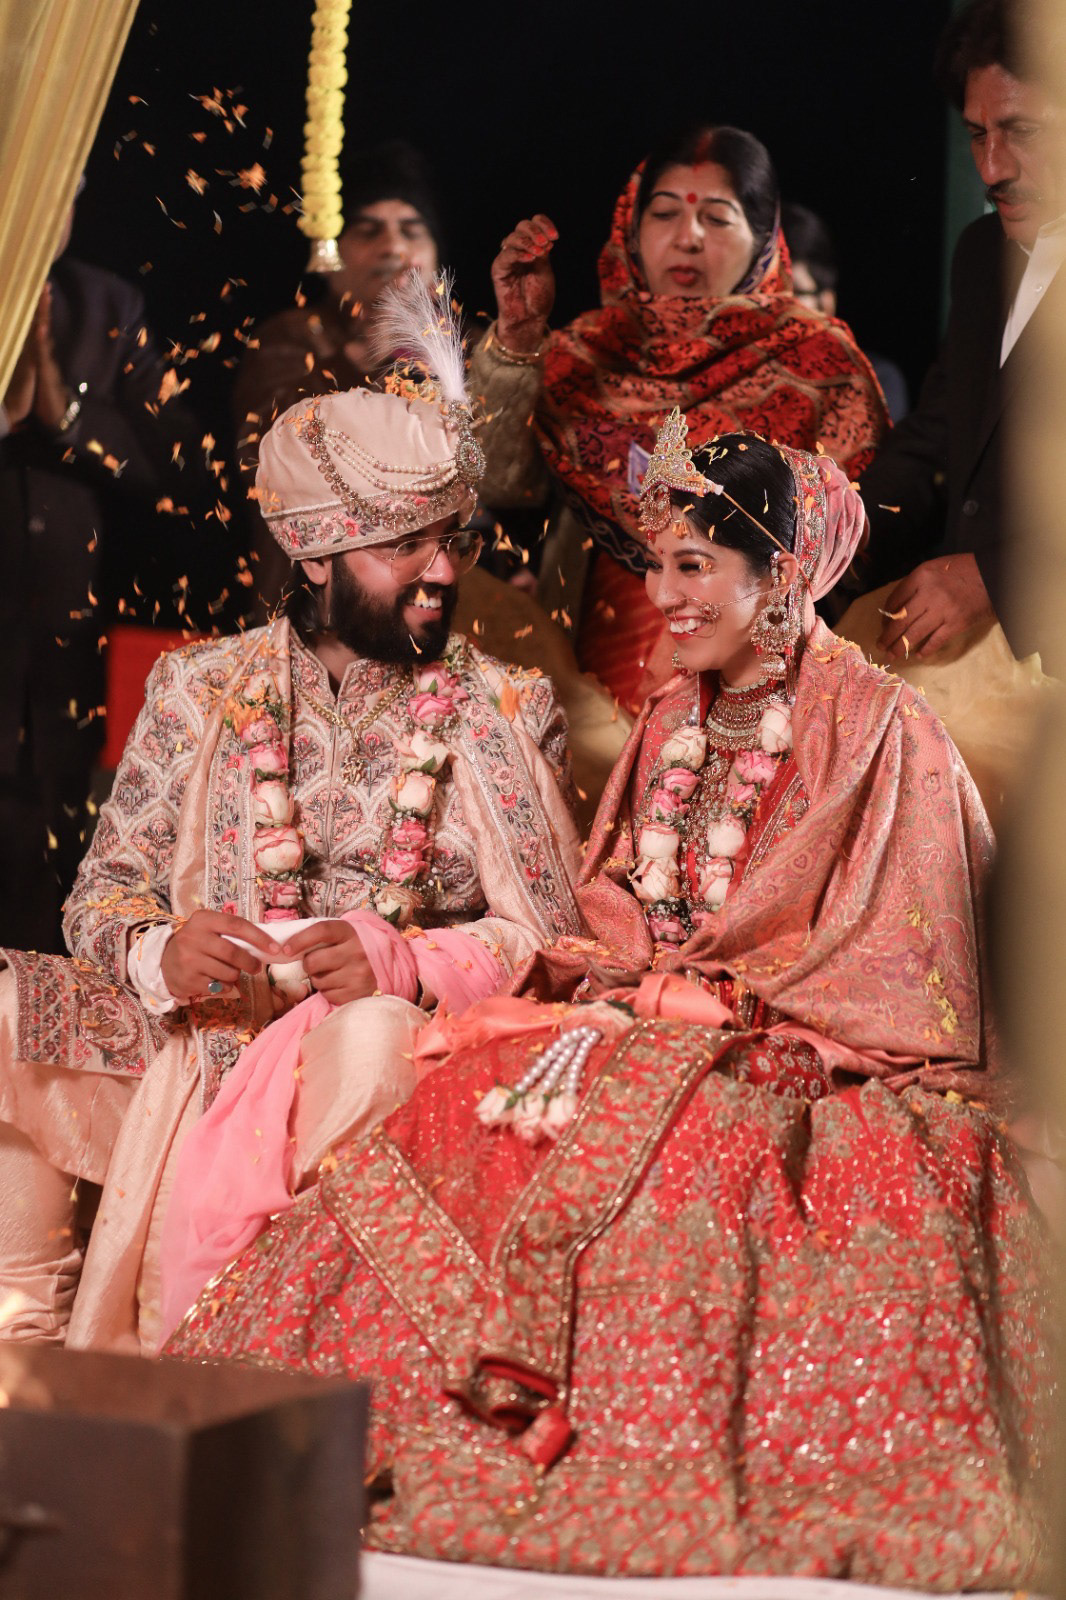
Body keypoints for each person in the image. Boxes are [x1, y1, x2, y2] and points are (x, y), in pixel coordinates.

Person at [167, 418, 1048, 1589]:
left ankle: (617, 1457)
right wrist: (622, 985)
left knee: (702, 1144)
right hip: (645, 1023)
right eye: (655, 565)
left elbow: (911, 954)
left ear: (782, 574)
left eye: (693, 565)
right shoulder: (673, 718)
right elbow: (612, 905)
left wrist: (726, 1006)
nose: (662, 595)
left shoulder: (881, 724)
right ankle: (391, 1426)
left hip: (812, 1047)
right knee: (473, 1094)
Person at [0, 277, 581, 1353]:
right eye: (404, 546)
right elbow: (101, 897)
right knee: (3, 1006)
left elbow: (555, 940)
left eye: (450, 541)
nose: (441, 574)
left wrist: (402, 963)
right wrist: (160, 952)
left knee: (364, 1041)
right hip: (196, 1039)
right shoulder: (199, 688)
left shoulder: (500, 706)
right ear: (313, 556)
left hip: (394, 1047)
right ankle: (21, 1371)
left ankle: (296, 1362)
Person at [470, 123, 888, 714]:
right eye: (664, 213)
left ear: (762, 237)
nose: (687, 237)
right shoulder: (585, 355)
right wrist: (517, 338)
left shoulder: (820, 364)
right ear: (632, 230)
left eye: (716, 218)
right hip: (587, 680)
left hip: (765, 690)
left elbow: (854, 547)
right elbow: (494, 483)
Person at [0, 195, 210, 952]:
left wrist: (64, 414)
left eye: (64, 185)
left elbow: (173, 460)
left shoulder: (103, 304)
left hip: (65, 642)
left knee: (53, 829)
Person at [853, 0, 1064, 664]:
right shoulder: (980, 252)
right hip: (972, 668)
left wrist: (993, 580)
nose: (992, 168)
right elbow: (940, 432)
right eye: (977, 134)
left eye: (1021, 130)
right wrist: (839, 531)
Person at [234, 140, 442, 616]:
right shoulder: (291, 338)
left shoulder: (467, 348)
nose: (394, 247)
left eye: (412, 231)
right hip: (320, 611)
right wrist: (370, 351)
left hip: (444, 605)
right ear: (331, 255)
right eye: (369, 231)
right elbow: (276, 460)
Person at [781, 201, 910, 421]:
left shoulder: (873, 380)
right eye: (763, 294)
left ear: (826, 302)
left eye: (792, 293)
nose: (773, 308)